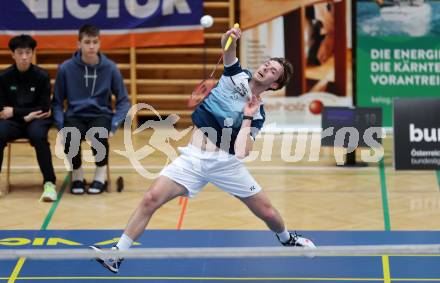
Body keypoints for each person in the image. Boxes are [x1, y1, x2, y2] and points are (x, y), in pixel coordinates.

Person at [91, 26, 316, 273]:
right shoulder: (235, 75)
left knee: (266, 211)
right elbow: (227, 49)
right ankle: (117, 255)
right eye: (267, 64)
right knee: (150, 199)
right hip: (193, 159)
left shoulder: (259, 114)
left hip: (225, 163)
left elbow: (242, 151)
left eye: (273, 70)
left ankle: (287, 239)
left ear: (275, 84)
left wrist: (249, 116)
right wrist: (230, 36)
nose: (265, 68)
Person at [52, 24, 130, 195]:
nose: (92, 46)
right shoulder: (66, 68)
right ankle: (77, 176)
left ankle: (100, 177)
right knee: (70, 135)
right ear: (78, 44)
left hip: (100, 114)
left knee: (98, 133)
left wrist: (114, 124)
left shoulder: (110, 68)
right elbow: (56, 102)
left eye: (95, 42)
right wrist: (60, 126)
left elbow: (124, 101)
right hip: (75, 115)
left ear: (100, 43)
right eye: (87, 42)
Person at [0, 35, 57, 201]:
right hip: (15, 122)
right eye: (20, 53)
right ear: (13, 54)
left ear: (32, 53)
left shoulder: (42, 76)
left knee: (39, 136)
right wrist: (24, 115)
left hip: (37, 119)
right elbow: (2, 110)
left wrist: (16, 111)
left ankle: (49, 183)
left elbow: (45, 108)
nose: (24, 57)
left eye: (27, 52)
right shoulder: (4, 77)